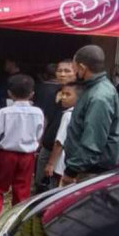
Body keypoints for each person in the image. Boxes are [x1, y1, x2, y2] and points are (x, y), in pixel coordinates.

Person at [0, 74, 43, 236]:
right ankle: (16, 228)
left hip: (6, 155)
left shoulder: (4, 112)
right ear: (32, 94)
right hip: (28, 156)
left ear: (10, 94)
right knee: (21, 192)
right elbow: (38, 135)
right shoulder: (38, 113)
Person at [61, 45, 119, 186]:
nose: (73, 72)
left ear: (82, 68)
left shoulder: (99, 96)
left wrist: (72, 170)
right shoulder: (92, 89)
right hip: (86, 167)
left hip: (90, 170)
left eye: (74, 67)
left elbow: (93, 141)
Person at [34, 60, 76, 191]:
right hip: (46, 147)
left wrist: (51, 162)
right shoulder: (54, 93)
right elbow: (46, 118)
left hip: (62, 151)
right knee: (40, 184)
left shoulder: (78, 96)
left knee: (53, 190)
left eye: (67, 71)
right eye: (59, 71)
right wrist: (39, 143)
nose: (62, 74)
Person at [44, 83, 79, 186]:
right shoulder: (82, 113)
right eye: (62, 94)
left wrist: (50, 164)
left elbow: (59, 141)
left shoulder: (68, 115)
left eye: (68, 94)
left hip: (62, 163)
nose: (63, 97)